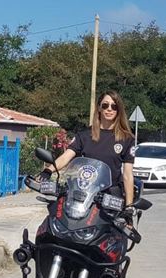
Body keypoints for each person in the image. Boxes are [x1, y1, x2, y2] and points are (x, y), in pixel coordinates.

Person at [39, 90, 137, 224]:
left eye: (114, 106)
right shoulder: (85, 135)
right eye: (105, 105)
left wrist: (129, 206)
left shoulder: (127, 139)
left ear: (118, 110)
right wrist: (48, 170)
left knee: (115, 231)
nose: (109, 109)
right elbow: (66, 156)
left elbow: (127, 174)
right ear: (99, 108)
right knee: (57, 223)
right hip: (82, 194)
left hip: (109, 197)